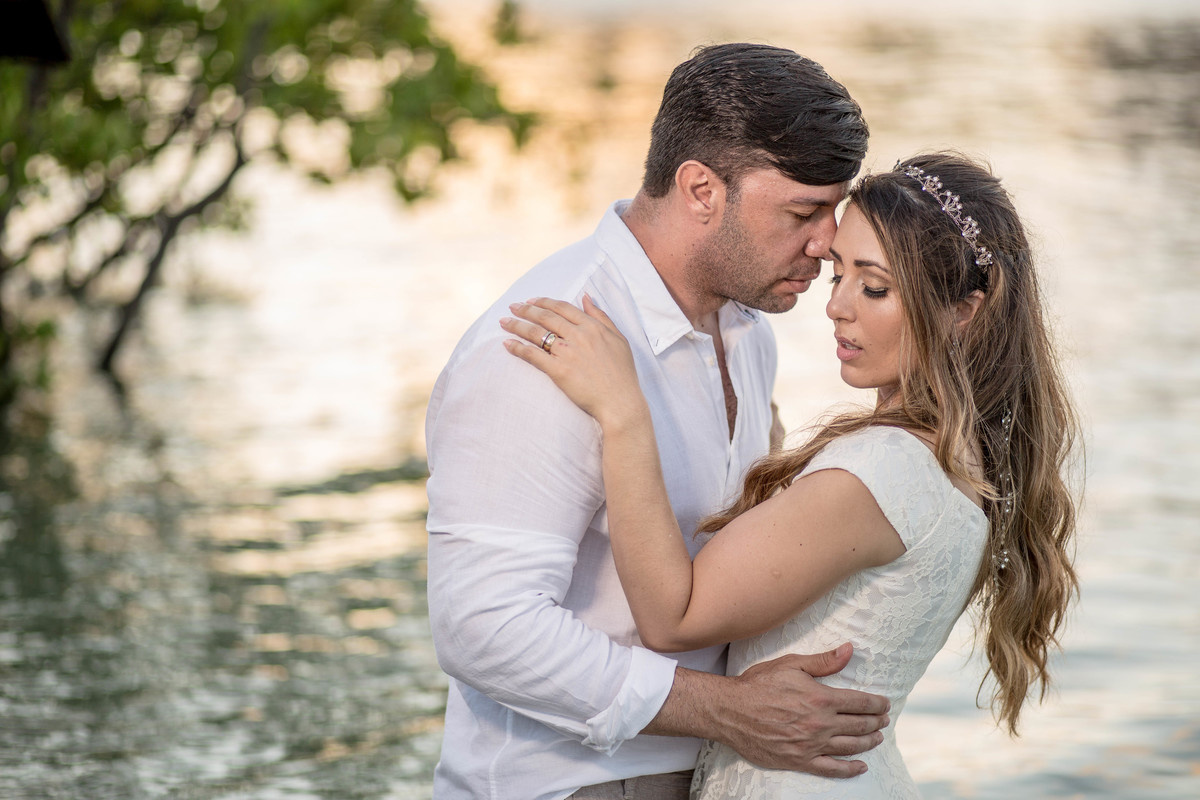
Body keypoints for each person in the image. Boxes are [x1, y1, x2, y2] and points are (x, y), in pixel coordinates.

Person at [501, 152, 1081, 798]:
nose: (836, 306)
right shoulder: (953, 458)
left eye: (875, 287)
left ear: (962, 312)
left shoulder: (884, 469)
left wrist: (623, 412)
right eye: (838, 273)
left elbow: (674, 616)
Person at [425, 43, 890, 800]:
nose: (827, 242)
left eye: (831, 212)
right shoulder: (545, 345)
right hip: (563, 785)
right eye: (803, 212)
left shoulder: (748, 332)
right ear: (701, 189)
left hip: (710, 772)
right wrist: (728, 712)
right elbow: (482, 628)